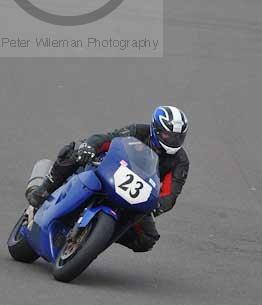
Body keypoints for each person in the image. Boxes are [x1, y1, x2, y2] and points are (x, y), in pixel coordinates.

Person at [26, 105, 190, 252]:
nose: (174, 141)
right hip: (111, 170)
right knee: (75, 152)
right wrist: (90, 146)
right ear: (156, 129)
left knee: (147, 239)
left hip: (137, 195)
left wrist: (159, 205)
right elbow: (108, 139)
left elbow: (171, 192)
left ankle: (99, 235)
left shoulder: (180, 161)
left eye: (178, 137)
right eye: (169, 135)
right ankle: (45, 188)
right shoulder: (138, 131)